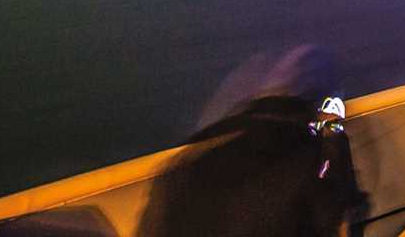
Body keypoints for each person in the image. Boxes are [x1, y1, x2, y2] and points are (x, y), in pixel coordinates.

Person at [139, 45, 363, 237]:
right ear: (312, 105)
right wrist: (334, 134)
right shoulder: (309, 159)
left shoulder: (186, 163)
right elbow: (335, 211)